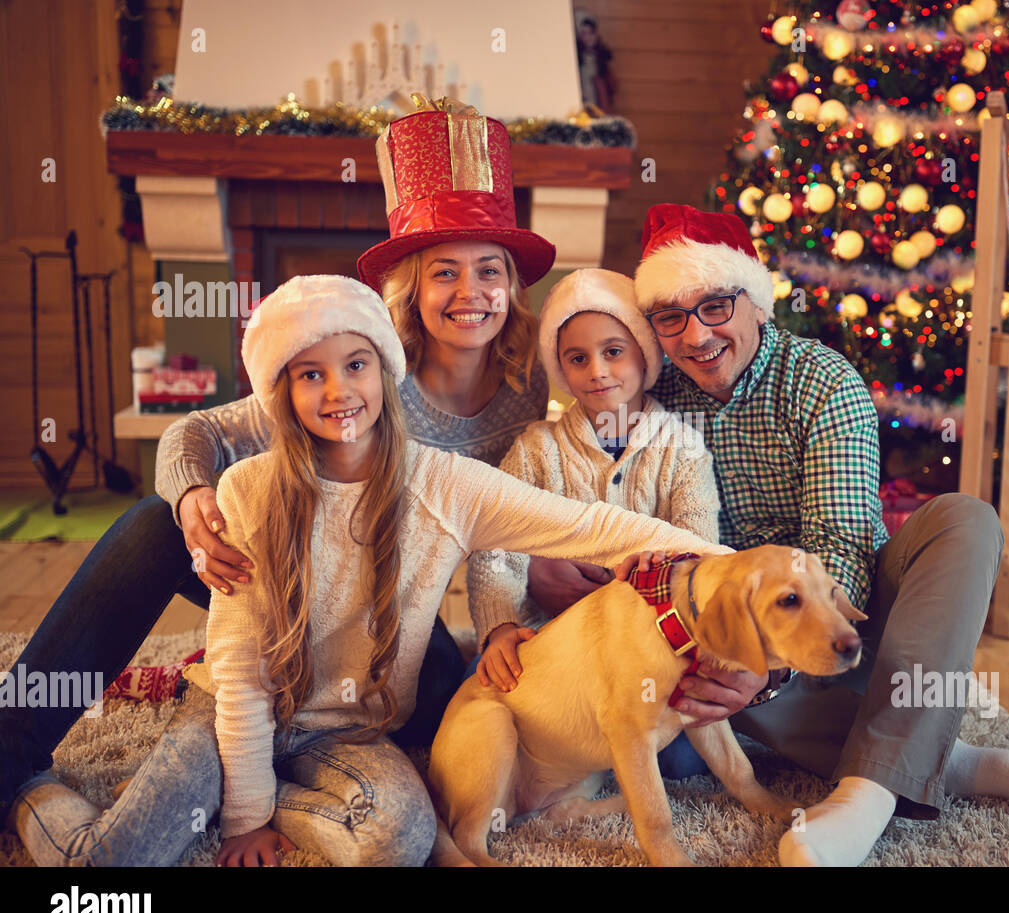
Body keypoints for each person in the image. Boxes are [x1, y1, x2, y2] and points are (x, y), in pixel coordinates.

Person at [7, 274, 730, 867]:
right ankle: (25, 784)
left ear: (384, 374)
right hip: (241, 707)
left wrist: (725, 564)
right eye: (310, 376)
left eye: (355, 367)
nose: (337, 391)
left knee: (399, 840)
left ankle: (266, 781)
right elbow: (238, 671)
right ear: (280, 396)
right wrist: (244, 818)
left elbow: (587, 526)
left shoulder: (448, 479)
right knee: (103, 866)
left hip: (349, 727)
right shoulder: (251, 489)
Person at [0, 101, 556, 806]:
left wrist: (509, 618)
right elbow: (192, 434)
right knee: (152, 524)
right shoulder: (362, 374)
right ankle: (10, 747)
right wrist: (193, 497)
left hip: (393, 634)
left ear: (513, 284)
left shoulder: (532, 383)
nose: (471, 293)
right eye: (444, 272)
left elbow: (505, 526)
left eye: (490, 271)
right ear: (410, 289)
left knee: (455, 703)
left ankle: (291, 743)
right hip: (291, 592)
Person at [476, 203, 1009, 868]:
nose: (695, 336)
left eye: (716, 306)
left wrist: (770, 666)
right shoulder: (649, 388)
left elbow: (840, 541)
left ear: (755, 302)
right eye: (671, 316)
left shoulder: (821, 381)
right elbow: (577, 458)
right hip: (732, 630)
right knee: (692, 672)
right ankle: (933, 757)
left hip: (847, 609)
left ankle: (867, 793)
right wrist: (543, 572)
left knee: (966, 520)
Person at [468, 268, 719, 693]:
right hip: (549, 639)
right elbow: (494, 547)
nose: (597, 371)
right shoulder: (537, 448)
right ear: (562, 369)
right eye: (578, 358)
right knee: (485, 689)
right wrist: (500, 627)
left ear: (644, 355)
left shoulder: (683, 448)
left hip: (647, 645)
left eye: (614, 352)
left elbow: (698, 552)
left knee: (674, 757)